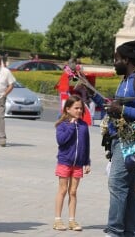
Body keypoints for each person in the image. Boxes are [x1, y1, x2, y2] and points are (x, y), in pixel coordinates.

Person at [96, 40, 135, 237]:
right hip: (118, 139)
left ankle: (114, 230)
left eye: (116, 59)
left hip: (131, 141)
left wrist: (122, 109)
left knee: (116, 184)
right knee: (127, 187)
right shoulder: (124, 81)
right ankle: (130, 231)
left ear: (126, 59)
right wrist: (92, 93)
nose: (114, 63)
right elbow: (112, 108)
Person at [53, 95, 91, 232]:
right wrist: (71, 126)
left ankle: (72, 220)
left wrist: (87, 162)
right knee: (63, 190)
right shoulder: (62, 125)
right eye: (76, 108)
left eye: (81, 108)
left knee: (73, 192)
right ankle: (57, 220)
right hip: (64, 162)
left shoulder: (84, 126)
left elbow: (86, 145)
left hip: (78, 164)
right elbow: (61, 141)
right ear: (68, 109)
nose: (79, 111)